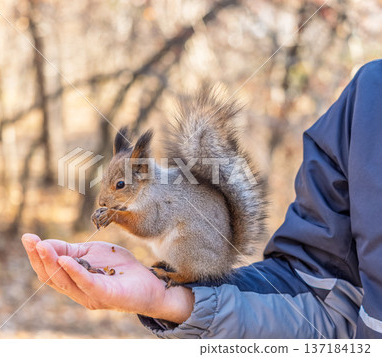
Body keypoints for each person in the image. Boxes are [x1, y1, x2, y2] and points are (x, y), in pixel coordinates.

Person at [22, 60, 382, 338]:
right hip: (211, 261)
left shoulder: (154, 195)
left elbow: (150, 227)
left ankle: (185, 274)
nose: (109, 196)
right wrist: (171, 305)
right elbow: (321, 294)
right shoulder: (369, 94)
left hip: (201, 247)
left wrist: (117, 218)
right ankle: (182, 277)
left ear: (141, 172)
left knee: (179, 234)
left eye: (117, 189)